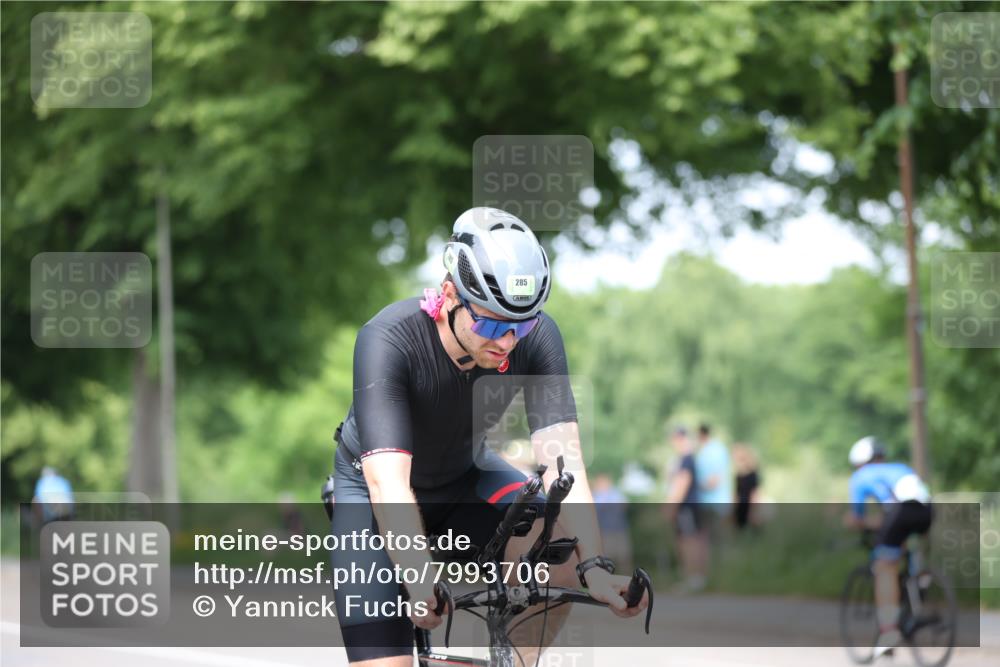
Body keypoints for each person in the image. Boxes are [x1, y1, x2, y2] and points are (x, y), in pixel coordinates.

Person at [329, 207, 648, 666]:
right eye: (493, 324)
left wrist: (593, 567)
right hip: (372, 490)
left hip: (465, 477)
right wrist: (420, 582)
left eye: (521, 325)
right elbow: (389, 484)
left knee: (556, 542)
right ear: (448, 295)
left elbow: (565, 462)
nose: (506, 342)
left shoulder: (537, 338)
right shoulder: (388, 340)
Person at [843, 436, 932, 659]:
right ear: (880, 456)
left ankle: (888, 633)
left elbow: (858, 516)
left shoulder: (860, 476)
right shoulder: (900, 468)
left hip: (901, 512)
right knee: (904, 541)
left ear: (859, 462)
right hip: (927, 510)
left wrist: (854, 522)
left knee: (884, 565)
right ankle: (919, 579)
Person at [665, 426, 704, 592]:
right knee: (686, 541)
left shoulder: (686, 458)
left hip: (686, 508)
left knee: (688, 541)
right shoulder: (685, 458)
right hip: (687, 507)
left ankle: (693, 579)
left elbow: (682, 483)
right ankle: (691, 578)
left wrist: (671, 507)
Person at [591, 473, 633, 571]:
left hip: (620, 529)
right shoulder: (595, 496)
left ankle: (628, 579)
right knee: (606, 557)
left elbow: (624, 505)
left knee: (624, 556)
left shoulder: (615, 493)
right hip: (605, 532)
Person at [732, 443, 761, 530]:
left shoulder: (753, 474)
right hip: (741, 506)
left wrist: (753, 510)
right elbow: (737, 493)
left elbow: (755, 493)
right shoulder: (738, 474)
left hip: (750, 505)